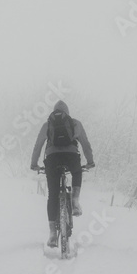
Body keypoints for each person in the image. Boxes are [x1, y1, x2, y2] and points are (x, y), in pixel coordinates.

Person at [30, 100, 95, 247]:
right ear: (67, 112)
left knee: (53, 194)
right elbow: (85, 143)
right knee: (77, 172)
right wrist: (90, 161)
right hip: (71, 156)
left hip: (52, 159)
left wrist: (34, 164)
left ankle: (53, 235)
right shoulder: (74, 123)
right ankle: (75, 201)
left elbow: (38, 145)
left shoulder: (47, 124)